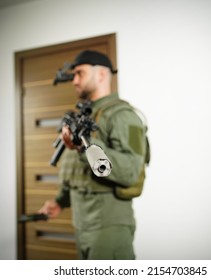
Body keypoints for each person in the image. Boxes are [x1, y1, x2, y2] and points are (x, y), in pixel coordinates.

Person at [39, 50, 148, 260]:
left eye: (80, 73)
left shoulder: (122, 116)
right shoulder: (84, 116)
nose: (74, 81)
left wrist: (84, 147)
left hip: (108, 228)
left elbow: (130, 172)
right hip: (82, 226)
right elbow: (77, 170)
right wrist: (60, 202)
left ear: (101, 75)